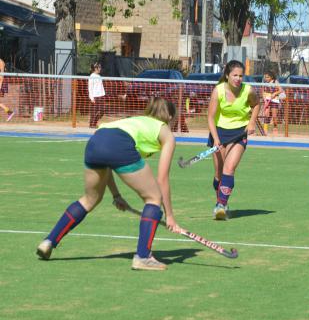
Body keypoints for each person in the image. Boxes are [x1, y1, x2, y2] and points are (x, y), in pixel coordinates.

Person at [36, 97, 184, 271]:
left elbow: (110, 161)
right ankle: (143, 257)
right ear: (170, 117)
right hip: (117, 145)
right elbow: (162, 178)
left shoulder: (135, 121)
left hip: (96, 141)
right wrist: (170, 216)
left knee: (89, 199)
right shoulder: (165, 131)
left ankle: (49, 241)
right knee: (153, 198)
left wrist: (116, 195)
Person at [207, 60, 260, 220]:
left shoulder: (248, 90)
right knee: (218, 174)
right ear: (227, 75)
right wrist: (216, 139)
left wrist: (251, 122)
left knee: (229, 169)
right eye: (235, 75)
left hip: (239, 133)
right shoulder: (218, 91)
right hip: (219, 133)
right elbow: (210, 116)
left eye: (241, 75)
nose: (238, 78)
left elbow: (256, 104)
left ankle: (221, 205)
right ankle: (220, 201)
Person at [261, 70, 285, 136]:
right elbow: (263, 92)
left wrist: (275, 93)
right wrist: (265, 100)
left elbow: (281, 90)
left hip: (274, 100)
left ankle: (275, 128)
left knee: (274, 116)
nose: (266, 78)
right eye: (265, 77)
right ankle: (265, 131)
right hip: (267, 100)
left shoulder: (275, 82)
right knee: (266, 115)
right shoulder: (264, 83)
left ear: (271, 77)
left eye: (267, 77)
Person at [88, 62, 106, 128]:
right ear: (95, 68)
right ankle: (92, 125)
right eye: (99, 67)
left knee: (102, 110)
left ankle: (94, 122)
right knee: (94, 111)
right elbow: (90, 88)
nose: (100, 69)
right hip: (95, 97)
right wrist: (91, 98)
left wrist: (103, 94)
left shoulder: (99, 76)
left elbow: (101, 87)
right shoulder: (92, 76)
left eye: (100, 67)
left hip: (101, 96)